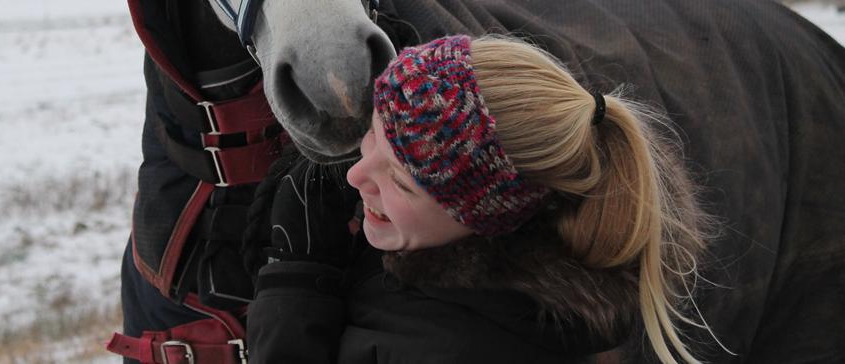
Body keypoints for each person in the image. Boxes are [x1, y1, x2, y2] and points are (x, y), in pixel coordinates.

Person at [247, 34, 719, 364]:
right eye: (372, 135)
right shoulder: (439, 260)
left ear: (484, 217)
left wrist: (296, 287)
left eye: (401, 182)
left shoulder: (458, 351)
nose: (354, 174)